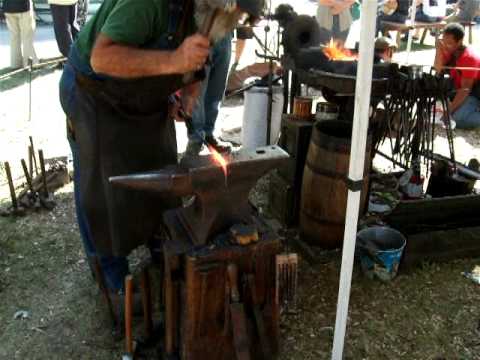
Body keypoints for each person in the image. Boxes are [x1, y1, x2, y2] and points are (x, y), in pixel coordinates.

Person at [58, 0, 263, 302]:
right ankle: (113, 279)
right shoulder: (149, 3)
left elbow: (197, 63)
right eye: (235, 11)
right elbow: (102, 57)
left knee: (160, 165)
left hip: (142, 96)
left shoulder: (207, 14)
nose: (236, 19)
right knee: (104, 186)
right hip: (94, 93)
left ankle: (159, 243)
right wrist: (174, 61)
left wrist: (188, 90)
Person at [186, 32, 233, 156]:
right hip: (202, 30)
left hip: (225, 33)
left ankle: (208, 133)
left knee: (216, 90)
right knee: (197, 91)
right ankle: (195, 140)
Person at [434, 22, 480, 129]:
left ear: (460, 41)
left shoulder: (469, 58)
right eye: (443, 41)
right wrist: (439, 50)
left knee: (457, 119)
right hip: (457, 90)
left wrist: (448, 111)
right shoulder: (450, 50)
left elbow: (466, 89)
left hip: (474, 93)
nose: (445, 45)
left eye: (449, 43)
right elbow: (438, 69)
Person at [2, 0, 38, 68]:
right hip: (23, 7)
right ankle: (30, 63)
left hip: (7, 8)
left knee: (14, 37)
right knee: (27, 36)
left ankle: (15, 64)